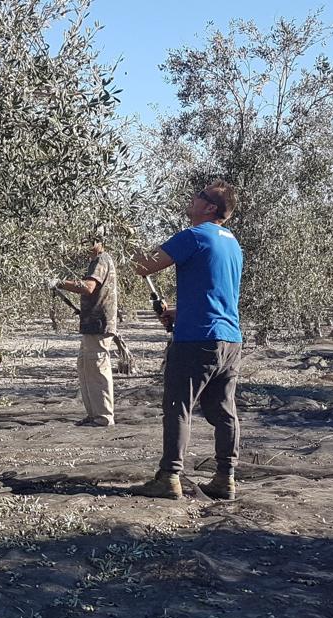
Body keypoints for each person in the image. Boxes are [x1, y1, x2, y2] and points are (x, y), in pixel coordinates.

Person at [130, 182, 244, 500]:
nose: (193, 199)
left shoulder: (193, 235)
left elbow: (143, 266)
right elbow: (217, 294)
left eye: (200, 196)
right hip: (229, 340)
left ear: (210, 208)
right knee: (224, 411)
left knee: (178, 406)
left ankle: (169, 477)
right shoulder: (233, 244)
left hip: (196, 341)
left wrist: (127, 243)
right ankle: (226, 478)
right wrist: (179, 312)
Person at [47, 232, 118, 427]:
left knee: (97, 369)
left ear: (98, 242)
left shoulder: (101, 260)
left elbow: (88, 287)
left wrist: (59, 282)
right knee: (86, 368)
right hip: (92, 324)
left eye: (88, 241)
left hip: (99, 325)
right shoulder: (96, 261)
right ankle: (94, 415)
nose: (84, 245)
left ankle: (103, 417)